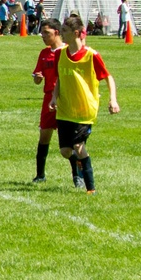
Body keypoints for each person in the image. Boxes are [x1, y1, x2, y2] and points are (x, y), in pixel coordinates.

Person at [48, 15, 120, 194]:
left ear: (76, 33)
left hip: (85, 110)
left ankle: (90, 188)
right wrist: (54, 97)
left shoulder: (91, 55)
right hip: (65, 109)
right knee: (66, 151)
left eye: (65, 31)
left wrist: (113, 99)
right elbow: (59, 79)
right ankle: (76, 165)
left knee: (79, 147)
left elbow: (107, 77)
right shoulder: (59, 54)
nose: (61, 35)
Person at [30, 19, 74, 184]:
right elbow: (37, 79)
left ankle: (77, 176)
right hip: (48, 98)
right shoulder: (44, 53)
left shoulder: (67, 52)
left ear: (57, 32)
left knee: (70, 141)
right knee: (44, 136)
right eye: (42, 33)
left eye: (46, 33)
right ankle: (40, 175)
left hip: (66, 98)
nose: (43, 36)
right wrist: (37, 78)